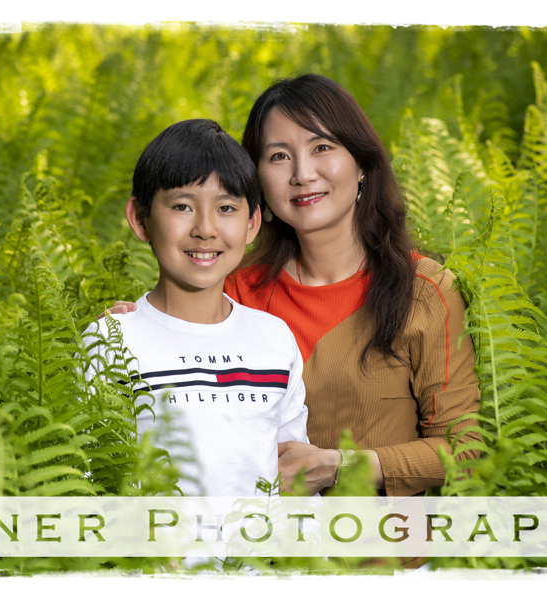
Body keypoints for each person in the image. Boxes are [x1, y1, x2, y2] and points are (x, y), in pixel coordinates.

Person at [108, 74, 480, 502]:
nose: (303, 174)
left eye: (322, 147)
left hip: (395, 559)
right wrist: (131, 329)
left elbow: (465, 451)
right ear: (255, 182)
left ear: (361, 164)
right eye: (279, 156)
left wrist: (340, 466)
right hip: (253, 556)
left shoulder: (424, 291)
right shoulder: (231, 290)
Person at [84, 119, 309, 497]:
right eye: (183, 206)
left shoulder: (274, 339)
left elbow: (295, 476)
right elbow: (86, 483)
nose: (205, 229)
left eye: (226, 208)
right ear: (140, 219)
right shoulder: (110, 342)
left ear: (252, 223)